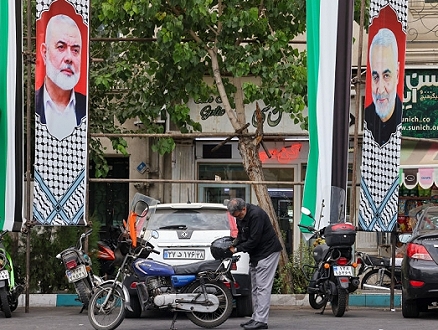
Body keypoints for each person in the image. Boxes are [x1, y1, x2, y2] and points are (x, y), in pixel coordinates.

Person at [227, 198, 282, 330]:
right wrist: (233, 243)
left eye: (238, 215)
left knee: (263, 287)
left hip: (267, 252)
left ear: (244, 209)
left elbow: (253, 240)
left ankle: (261, 321)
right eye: (235, 217)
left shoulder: (257, 215)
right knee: (255, 287)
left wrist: (236, 249)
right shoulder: (239, 215)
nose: (237, 218)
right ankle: (255, 318)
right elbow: (241, 234)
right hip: (256, 254)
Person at [35, 14, 86, 141]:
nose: (69, 58)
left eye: (75, 50)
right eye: (61, 47)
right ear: (44, 52)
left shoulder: (85, 106)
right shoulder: (30, 104)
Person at [364, 27, 402, 147]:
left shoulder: (404, 118)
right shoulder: (365, 120)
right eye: (375, 77)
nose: (380, 89)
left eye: (386, 75)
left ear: (397, 74)